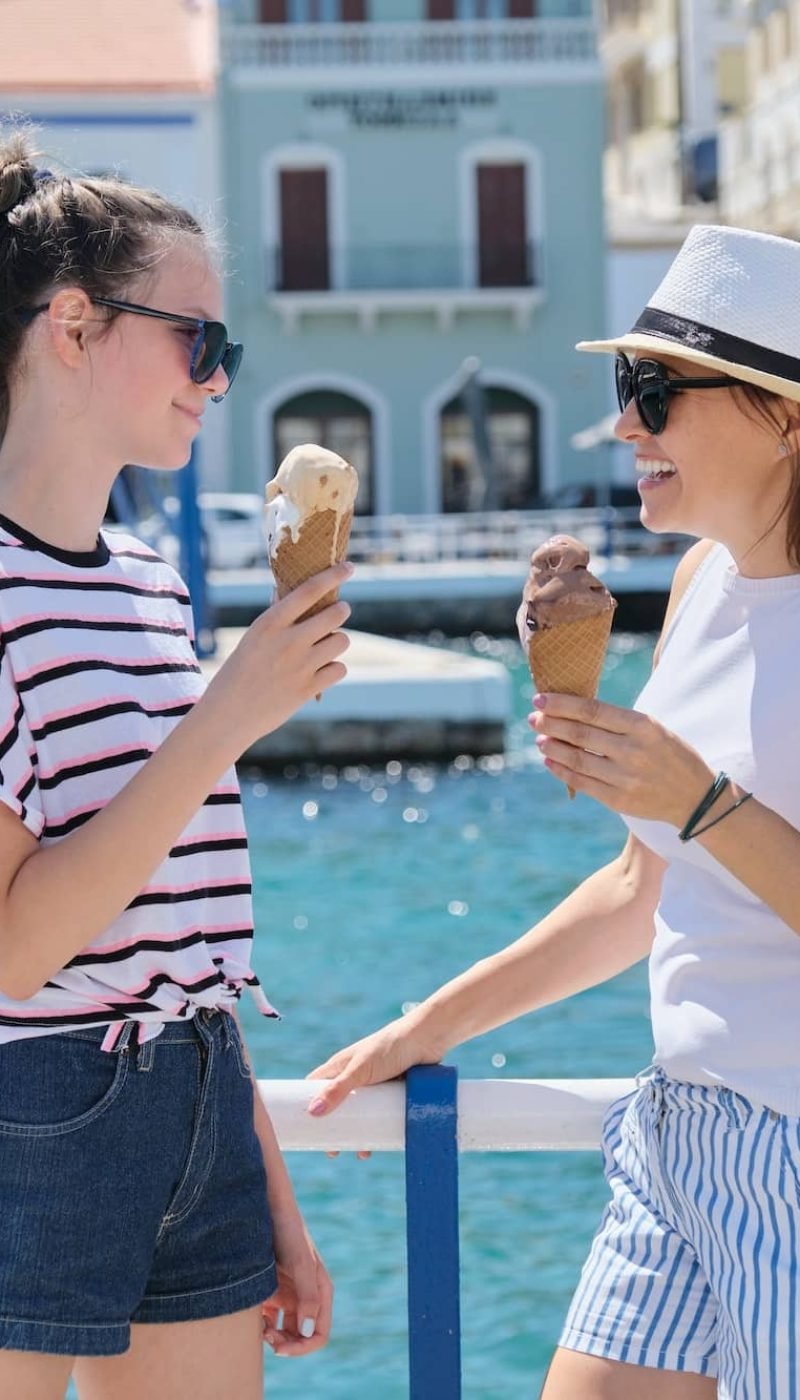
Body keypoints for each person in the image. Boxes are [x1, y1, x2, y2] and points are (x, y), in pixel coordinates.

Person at [307, 224, 800, 1400]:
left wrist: (696, 797)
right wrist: (429, 1022)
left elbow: (695, 825)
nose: (622, 425)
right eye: (620, 390)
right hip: (677, 1133)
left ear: (782, 413)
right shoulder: (699, 585)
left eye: (653, 391)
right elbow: (644, 886)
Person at [0, 130, 351, 1400]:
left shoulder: (153, 584)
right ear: (75, 326)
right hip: (34, 1107)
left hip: (197, 1097)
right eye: (198, 339)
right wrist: (225, 718)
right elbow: (16, 949)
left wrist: (264, 1190)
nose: (217, 379)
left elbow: (181, 922)